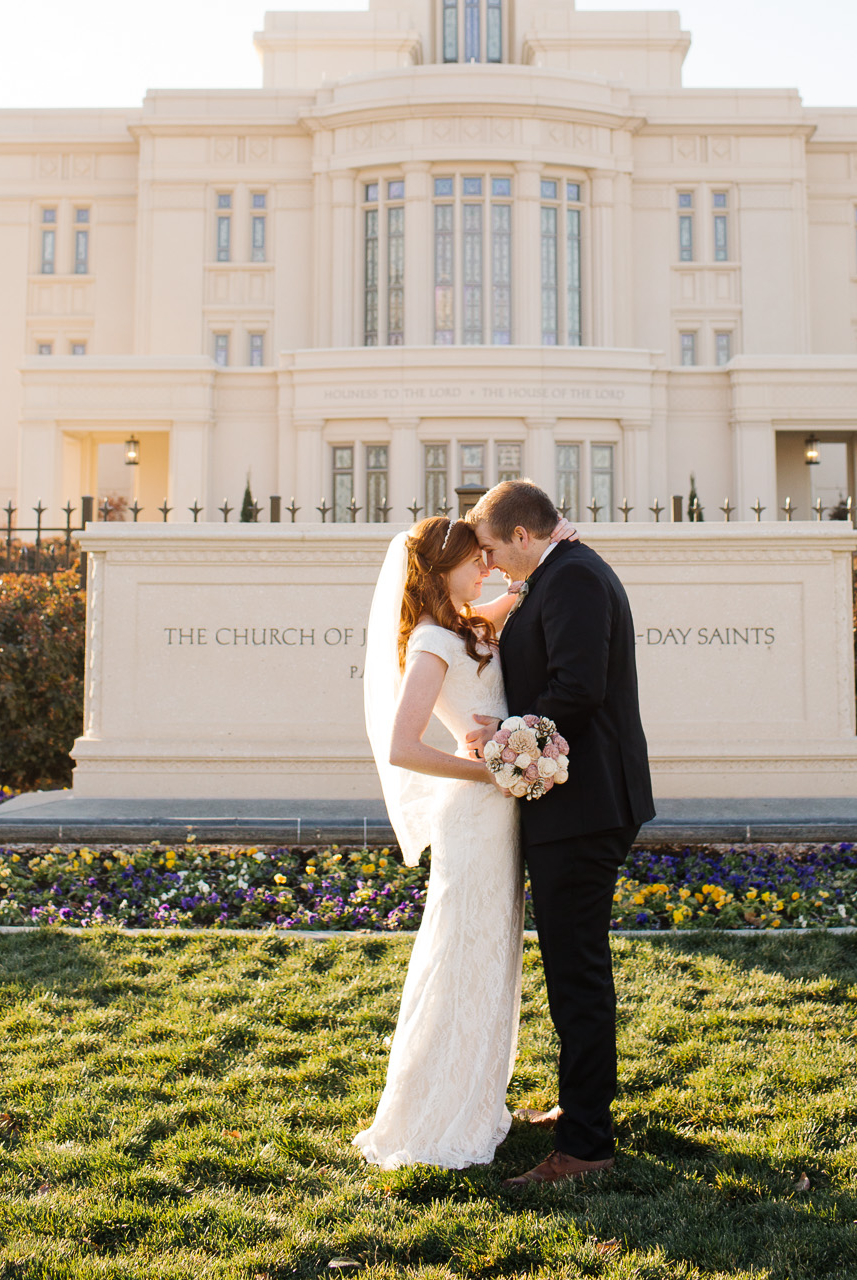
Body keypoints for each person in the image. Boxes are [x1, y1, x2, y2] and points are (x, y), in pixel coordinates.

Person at [354, 511, 574, 1170]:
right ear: (441, 568)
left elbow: (520, 590)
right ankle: (433, 1112)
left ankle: (479, 1095)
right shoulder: (431, 641)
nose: (487, 567)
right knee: (463, 955)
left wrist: (554, 541)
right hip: (472, 816)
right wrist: (485, 768)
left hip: (497, 813)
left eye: (487, 556)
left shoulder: (467, 624)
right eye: (475, 559)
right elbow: (402, 746)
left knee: (490, 956)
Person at [465, 478, 654, 1186]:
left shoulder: (572, 577)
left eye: (489, 548)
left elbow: (576, 691)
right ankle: (581, 1111)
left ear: (521, 535)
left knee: (576, 974)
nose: (487, 564)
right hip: (578, 807)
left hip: (586, 808)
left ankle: (585, 1149)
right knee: (572, 970)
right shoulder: (561, 571)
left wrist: (502, 736)